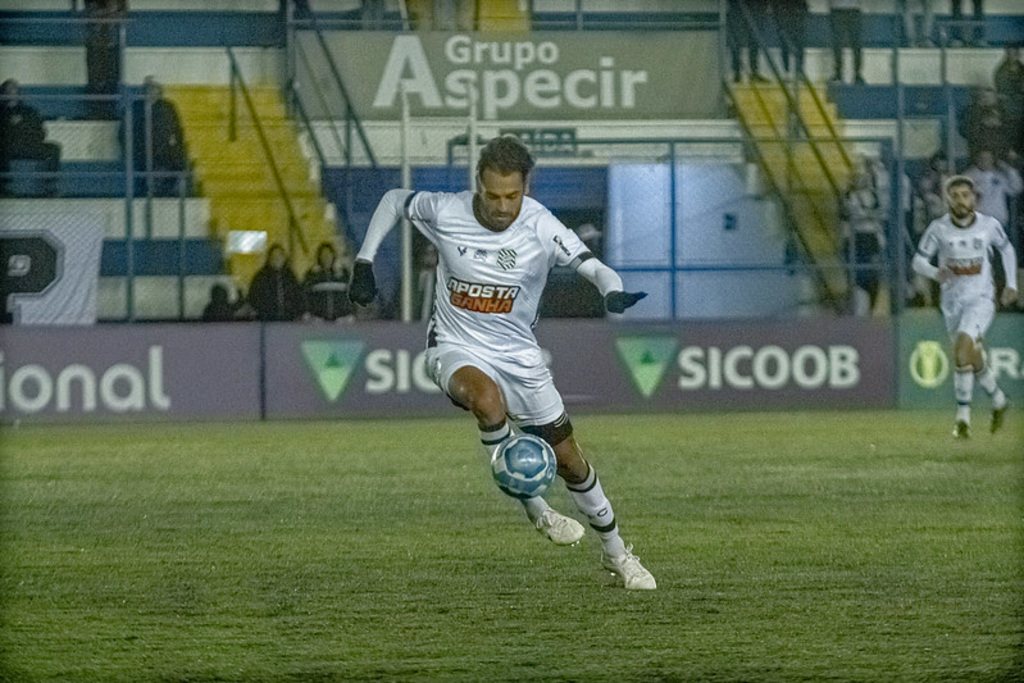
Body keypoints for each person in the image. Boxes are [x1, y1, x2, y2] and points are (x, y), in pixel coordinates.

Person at [347, 135, 656, 590]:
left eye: (512, 196)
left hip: (519, 355)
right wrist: (364, 261)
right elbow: (395, 200)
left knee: (569, 460)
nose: (502, 206)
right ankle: (538, 510)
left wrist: (612, 290)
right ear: (479, 185)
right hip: (454, 345)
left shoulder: (540, 225)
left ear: (525, 186)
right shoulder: (447, 211)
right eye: (492, 195)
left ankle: (616, 554)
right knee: (486, 400)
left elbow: (591, 265)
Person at [912, 175, 1017, 438]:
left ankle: (963, 420)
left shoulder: (988, 226)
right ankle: (999, 400)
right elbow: (918, 261)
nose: (961, 200)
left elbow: (1007, 250)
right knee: (971, 356)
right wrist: (937, 273)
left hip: (981, 300)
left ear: (974, 198)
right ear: (948, 199)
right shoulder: (939, 229)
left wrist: (1011, 284)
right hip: (951, 303)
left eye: (965, 195)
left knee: (961, 351)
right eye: (955, 196)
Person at [127, 76, 187, 197]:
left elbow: (177, 131)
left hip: (164, 152)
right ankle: (151, 187)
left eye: (154, 88)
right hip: (143, 151)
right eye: (148, 89)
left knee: (175, 161)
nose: (151, 92)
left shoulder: (168, 107)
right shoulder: (136, 107)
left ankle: (167, 188)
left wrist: (176, 146)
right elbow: (127, 132)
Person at [0, 78, 61, 197]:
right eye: (8, 90)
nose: (11, 92)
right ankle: (4, 187)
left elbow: (40, 131)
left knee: (54, 148)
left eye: (14, 89)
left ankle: (50, 185)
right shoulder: (1, 112)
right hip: (9, 146)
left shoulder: (29, 111)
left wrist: (23, 129)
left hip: (29, 145)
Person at [841, 160, 887, 316]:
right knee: (859, 280)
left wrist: (880, 240)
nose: (863, 179)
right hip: (858, 239)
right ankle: (860, 314)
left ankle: (869, 311)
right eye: (859, 175)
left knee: (874, 278)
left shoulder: (873, 196)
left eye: (865, 176)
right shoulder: (849, 196)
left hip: (872, 239)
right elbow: (847, 219)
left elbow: (879, 219)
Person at [84, 0, 126, 120]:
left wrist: (106, 14)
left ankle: (110, 111)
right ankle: (95, 112)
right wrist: (107, 13)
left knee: (111, 79)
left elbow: (121, 15)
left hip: (111, 45)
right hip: (95, 45)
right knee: (95, 80)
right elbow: (91, 17)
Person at [247, 243, 305, 321]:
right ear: (269, 258)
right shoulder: (260, 277)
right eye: (274, 256)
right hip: (267, 322)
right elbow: (253, 299)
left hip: (288, 322)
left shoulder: (291, 277)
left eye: (279, 256)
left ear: (284, 258)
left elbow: (298, 297)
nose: (277, 258)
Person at [303, 241, 353, 322]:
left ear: (333, 255)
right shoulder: (312, 275)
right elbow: (305, 296)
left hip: (341, 321)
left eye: (328, 254)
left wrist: (350, 313)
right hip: (318, 322)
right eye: (323, 255)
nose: (326, 257)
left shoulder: (344, 274)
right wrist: (309, 314)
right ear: (319, 256)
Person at [959, 87, 1009, 161]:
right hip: (979, 154)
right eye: (984, 97)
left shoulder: (1003, 112)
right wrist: (982, 123)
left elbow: (1010, 131)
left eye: (990, 97)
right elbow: (965, 131)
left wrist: (999, 124)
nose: (987, 100)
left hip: (1000, 153)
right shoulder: (971, 112)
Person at [993, 43, 1024, 155]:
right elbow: (1003, 91)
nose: (1012, 56)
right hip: (1007, 113)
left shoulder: (1022, 70)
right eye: (1009, 53)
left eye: (1014, 53)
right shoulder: (1001, 72)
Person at [726, 0, 767, 84]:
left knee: (753, 41)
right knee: (737, 41)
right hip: (738, 9)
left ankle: (751, 72)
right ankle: (738, 73)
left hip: (752, 9)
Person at [828, 0, 864, 84]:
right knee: (855, 43)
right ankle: (856, 73)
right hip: (852, 8)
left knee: (838, 43)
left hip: (838, 8)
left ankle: (839, 73)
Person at [771, 0, 809, 79]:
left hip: (796, 16)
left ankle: (798, 71)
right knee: (785, 45)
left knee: (798, 45)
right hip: (784, 15)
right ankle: (787, 71)